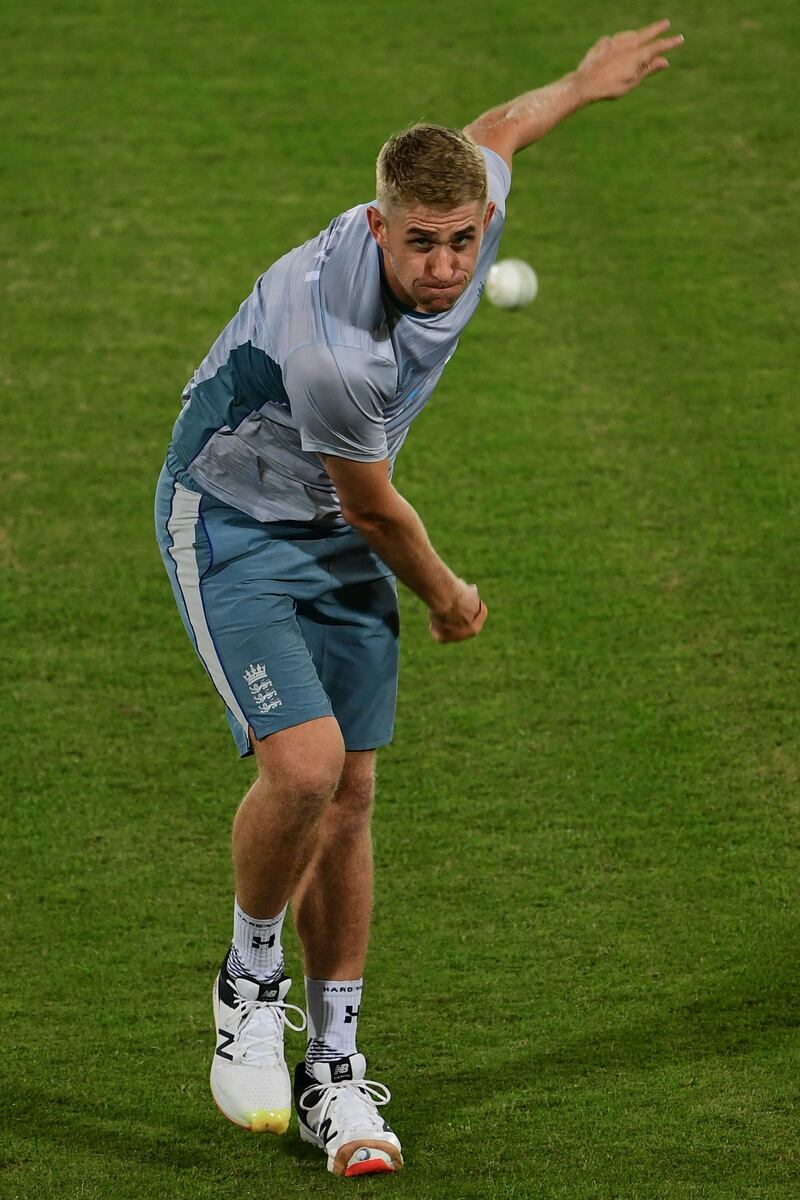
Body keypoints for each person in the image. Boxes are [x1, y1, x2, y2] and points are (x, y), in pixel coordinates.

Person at [153, 20, 683, 1179]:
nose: (442, 269)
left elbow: (498, 131)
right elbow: (375, 513)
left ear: (479, 222)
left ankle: (333, 1075)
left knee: (349, 795)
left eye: (460, 241)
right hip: (235, 524)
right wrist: (445, 597)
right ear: (374, 223)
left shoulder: (464, 200)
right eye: (418, 246)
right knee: (300, 767)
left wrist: (581, 87)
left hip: (326, 520)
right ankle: (249, 986)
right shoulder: (335, 340)